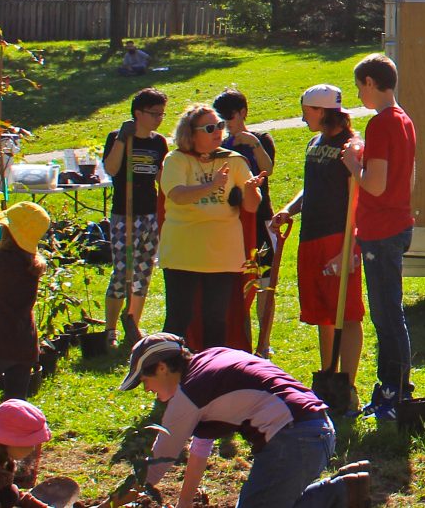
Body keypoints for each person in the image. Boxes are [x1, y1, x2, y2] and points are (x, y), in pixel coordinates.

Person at [119, 333, 365, 508]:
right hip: (317, 430)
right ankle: (344, 488)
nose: (147, 390)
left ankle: (342, 492)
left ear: (162, 368)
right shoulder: (210, 360)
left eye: (145, 381)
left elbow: (155, 468)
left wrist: (108, 505)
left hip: (294, 440)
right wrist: (184, 504)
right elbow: (200, 446)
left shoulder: (190, 393)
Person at [272, 86, 364, 396]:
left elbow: (357, 198)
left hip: (337, 238)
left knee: (347, 313)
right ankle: (328, 374)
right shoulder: (314, 143)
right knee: (323, 313)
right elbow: (310, 187)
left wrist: (349, 248)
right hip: (310, 236)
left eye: (306, 112)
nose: (302, 118)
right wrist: (289, 209)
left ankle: (347, 384)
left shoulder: (351, 146)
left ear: (322, 111)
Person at [159, 105, 263, 348]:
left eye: (220, 126)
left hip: (222, 253)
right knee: (179, 318)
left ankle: (212, 368)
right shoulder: (176, 159)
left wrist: (250, 190)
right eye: (209, 128)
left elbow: (251, 207)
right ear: (190, 133)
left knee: (216, 320)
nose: (217, 131)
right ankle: (169, 366)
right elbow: (177, 195)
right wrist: (212, 186)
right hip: (183, 252)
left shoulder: (233, 160)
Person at [348, 53, 416, 422]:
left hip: (382, 229)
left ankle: (396, 390)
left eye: (360, 87)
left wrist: (352, 164)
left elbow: (374, 184)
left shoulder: (381, 124)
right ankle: (392, 387)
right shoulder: (404, 119)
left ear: (372, 83)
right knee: (389, 312)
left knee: (387, 315)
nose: (359, 95)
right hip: (398, 223)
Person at [215, 90, 279, 354]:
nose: (226, 124)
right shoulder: (220, 144)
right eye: (221, 119)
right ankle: (241, 343)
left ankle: (264, 343)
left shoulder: (261, 139)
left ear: (242, 113)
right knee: (238, 286)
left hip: (260, 220)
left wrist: (253, 144)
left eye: (229, 117)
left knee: (265, 282)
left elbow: (268, 169)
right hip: (232, 222)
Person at [102, 88, 168, 346]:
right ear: (138, 114)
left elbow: (162, 177)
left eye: (162, 114)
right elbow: (111, 169)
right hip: (124, 215)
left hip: (149, 213)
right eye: (154, 113)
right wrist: (121, 139)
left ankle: (133, 326)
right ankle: (110, 330)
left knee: (142, 272)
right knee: (122, 273)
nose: (159, 118)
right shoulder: (117, 138)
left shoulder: (158, 142)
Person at [0, 205, 48, 400]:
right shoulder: (34, 264)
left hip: (1, 339)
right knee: (16, 402)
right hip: (24, 342)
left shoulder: (2, 261)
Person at [0, 398, 51, 508]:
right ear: (9, 441)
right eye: (29, 444)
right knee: (8, 495)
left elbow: (5, 488)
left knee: (10, 494)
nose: (33, 449)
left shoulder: (4, 461)